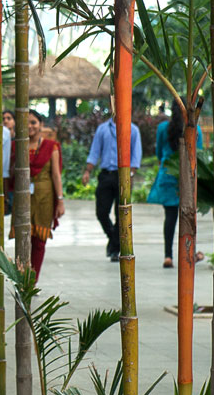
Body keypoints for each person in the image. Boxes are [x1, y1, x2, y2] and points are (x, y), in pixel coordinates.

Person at [3, 109, 64, 278]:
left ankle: (32, 280)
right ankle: (21, 277)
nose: (30, 126)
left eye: (33, 122)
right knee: (22, 238)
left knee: (39, 240)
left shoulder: (51, 146)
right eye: (26, 123)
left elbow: (56, 175)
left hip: (44, 197)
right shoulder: (15, 146)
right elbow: (8, 172)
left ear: (41, 125)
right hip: (21, 196)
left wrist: (60, 200)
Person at [148, 101, 203, 269]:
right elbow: (198, 155)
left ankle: (168, 256)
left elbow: (158, 154)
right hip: (187, 177)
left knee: (170, 218)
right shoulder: (196, 130)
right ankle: (190, 254)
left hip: (167, 175)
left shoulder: (163, 128)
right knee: (188, 218)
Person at [84, 115, 143, 260]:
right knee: (101, 212)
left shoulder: (133, 130)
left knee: (121, 213)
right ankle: (114, 240)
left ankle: (115, 249)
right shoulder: (102, 129)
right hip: (106, 175)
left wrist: (131, 174)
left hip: (124, 176)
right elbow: (95, 151)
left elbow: (136, 154)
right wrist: (87, 171)